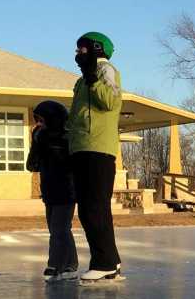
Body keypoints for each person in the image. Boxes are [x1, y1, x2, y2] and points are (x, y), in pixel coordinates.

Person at [65, 32, 123, 284]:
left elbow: (110, 101)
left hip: (97, 148)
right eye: (77, 50)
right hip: (82, 148)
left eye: (83, 49)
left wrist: (92, 76)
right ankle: (111, 260)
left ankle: (105, 263)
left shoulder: (105, 70)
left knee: (93, 209)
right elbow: (77, 117)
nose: (78, 54)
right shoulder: (81, 81)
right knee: (94, 209)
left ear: (96, 49)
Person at [26, 100, 78, 282]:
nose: (38, 124)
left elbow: (71, 164)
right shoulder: (40, 138)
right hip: (49, 190)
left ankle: (55, 264)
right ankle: (71, 264)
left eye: (41, 119)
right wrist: (36, 142)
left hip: (67, 190)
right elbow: (32, 165)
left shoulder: (67, 138)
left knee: (59, 229)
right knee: (60, 229)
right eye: (36, 120)